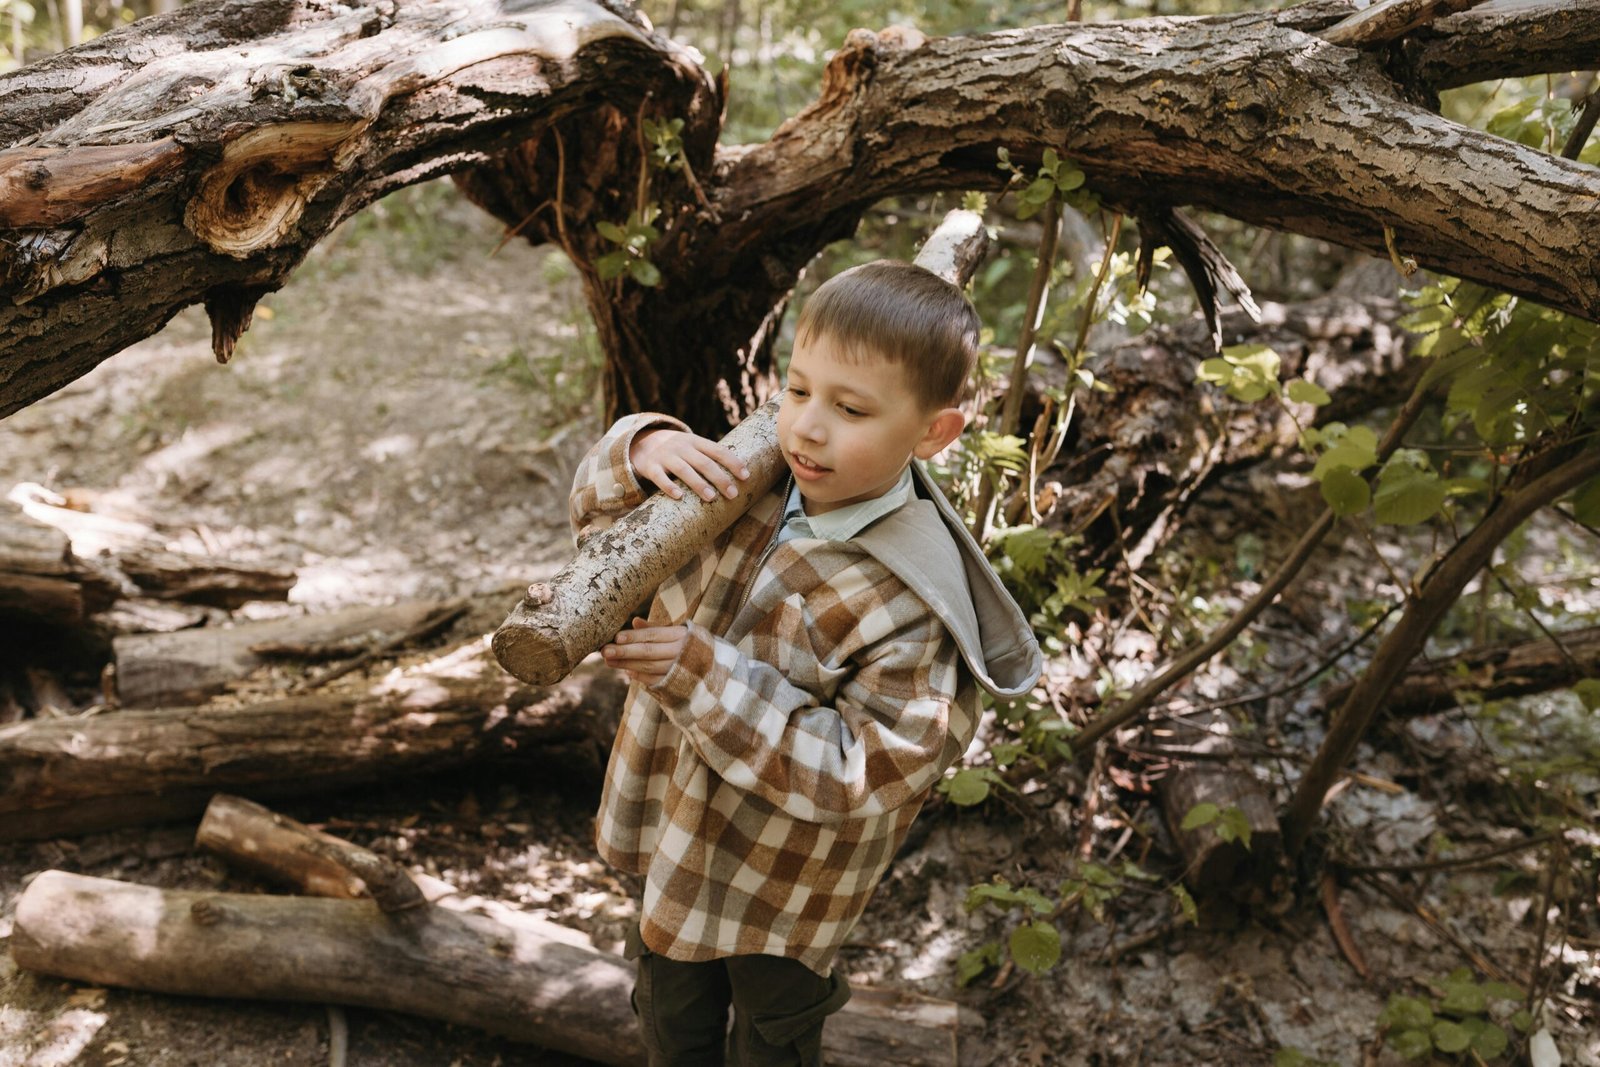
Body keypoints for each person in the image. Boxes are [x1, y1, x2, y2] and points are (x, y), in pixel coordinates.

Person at [569, 260, 1043, 1066]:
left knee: (772, 1035)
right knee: (669, 1016)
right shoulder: (742, 484)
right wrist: (638, 447)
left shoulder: (909, 598)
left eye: (850, 408)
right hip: (675, 834)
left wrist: (701, 675)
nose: (808, 427)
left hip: (784, 883)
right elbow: (602, 553)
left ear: (934, 433)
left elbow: (863, 771)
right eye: (796, 390)